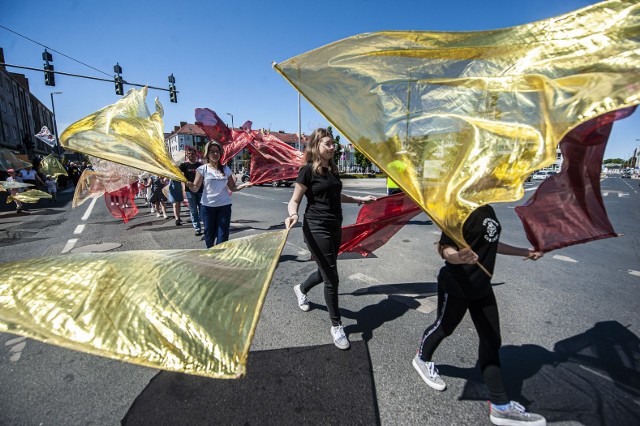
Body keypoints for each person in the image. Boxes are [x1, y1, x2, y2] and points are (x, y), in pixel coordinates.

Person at [412, 204, 546, 426]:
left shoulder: (488, 209)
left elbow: (491, 244)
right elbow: (445, 248)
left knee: (491, 339)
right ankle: (422, 358)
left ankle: (500, 406)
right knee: (445, 327)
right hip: (457, 284)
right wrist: (459, 257)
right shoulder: (458, 209)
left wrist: (525, 252)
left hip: (482, 285)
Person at [284, 128, 376, 350]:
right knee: (332, 277)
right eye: (327, 143)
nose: (332, 147)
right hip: (315, 227)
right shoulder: (307, 171)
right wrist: (293, 214)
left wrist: (359, 199)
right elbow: (294, 200)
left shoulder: (333, 170)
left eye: (333, 143)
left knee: (325, 269)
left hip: (335, 226)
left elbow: (336, 195)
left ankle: (301, 289)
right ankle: (336, 325)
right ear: (316, 146)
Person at [187, 141, 251, 248]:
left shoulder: (226, 169)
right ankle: (211, 253)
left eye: (217, 152)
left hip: (224, 207)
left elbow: (232, 188)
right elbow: (195, 188)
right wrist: (189, 185)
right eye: (212, 152)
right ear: (207, 154)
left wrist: (245, 185)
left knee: (223, 236)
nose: (215, 154)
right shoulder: (202, 169)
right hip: (207, 207)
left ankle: (219, 256)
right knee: (209, 235)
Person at [180, 147, 204, 236]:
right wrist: (184, 186)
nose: (191, 155)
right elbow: (178, 174)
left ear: (196, 155)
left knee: (202, 209)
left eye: (192, 154)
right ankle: (197, 228)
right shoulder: (184, 165)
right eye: (189, 154)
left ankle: (205, 224)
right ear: (187, 155)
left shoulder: (200, 165)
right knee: (193, 210)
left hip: (200, 190)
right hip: (189, 191)